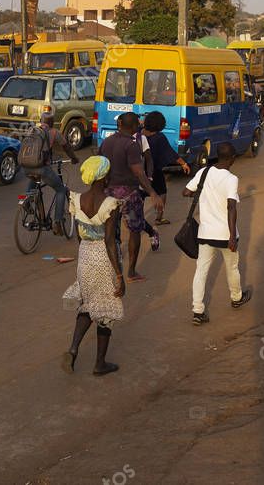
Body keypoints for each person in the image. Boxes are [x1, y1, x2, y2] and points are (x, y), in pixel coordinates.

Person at [61, 156, 124, 376]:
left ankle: (73, 349)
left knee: (88, 304)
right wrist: (119, 275)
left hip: (85, 255)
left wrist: (85, 254)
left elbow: (79, 235)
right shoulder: (111, 204)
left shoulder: (77, 199)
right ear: (103, 176)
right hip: (103, 259)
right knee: (105, 311)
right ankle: (99, 364)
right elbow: (110, 242)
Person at [183, 142, 251, 325]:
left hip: (205, 232)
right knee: (232, 267)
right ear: (232, 159)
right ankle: (236, 298)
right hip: (224, 234)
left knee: (201, 270)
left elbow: (186, 192)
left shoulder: (204, 172)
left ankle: (198, 311)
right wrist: (232, 236)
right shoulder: (231, 179)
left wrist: (203, 193)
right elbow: (231, 207)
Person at [99, 112, 164, 281]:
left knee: (110, 233)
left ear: (120, 124)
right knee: (134, 230)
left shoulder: (106, 142)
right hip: (129, 193)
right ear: (135, 127)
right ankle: (131, 272)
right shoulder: (132, 145)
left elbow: (100, 166)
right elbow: (138, 172)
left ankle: (115, 271)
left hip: (108, 193)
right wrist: (152, 192)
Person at [23, 114, 80, 235]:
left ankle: (26, 200)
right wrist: (74, 158)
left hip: (26, 166)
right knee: (61, 190)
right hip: (41, 168)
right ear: (52, 123)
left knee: (34, 178)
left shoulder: (32, 130)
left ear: (40, 121)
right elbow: (66, 147)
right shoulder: (54, 132)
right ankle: (57, 222)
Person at [140, 111, 191, 226]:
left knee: (140, 194)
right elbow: (171, 153)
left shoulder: (139, 133)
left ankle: (139, 217)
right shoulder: (159, 137)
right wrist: (183, 163)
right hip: (154, 171)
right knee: (162, 192)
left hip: (139, 170)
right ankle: (159, 218)